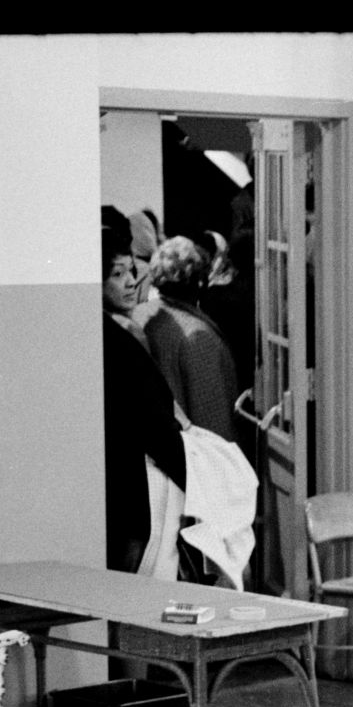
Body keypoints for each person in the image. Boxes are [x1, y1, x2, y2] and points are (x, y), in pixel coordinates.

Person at [100, 210, 191, 573]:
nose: (129, 282)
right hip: (128, 478)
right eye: (116, 274)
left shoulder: (119, 330)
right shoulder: (121, 338)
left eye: (130, 272)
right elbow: (152, 416)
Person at [143, 236, 240, 443]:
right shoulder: (197, 335)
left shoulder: (142, 315)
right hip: (193, 449)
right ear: (200, 280)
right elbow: (213, 420)